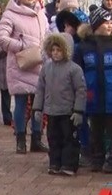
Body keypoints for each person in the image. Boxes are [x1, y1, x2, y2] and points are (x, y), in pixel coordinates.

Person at [0, 0, 48, 154]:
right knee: (20, 102)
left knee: (38, 104)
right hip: (21, 64)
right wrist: (22, 46)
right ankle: (20, 139)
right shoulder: (10, 14)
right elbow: (1, 38)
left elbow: (46, 34)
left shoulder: (41, 12)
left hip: (39, 63)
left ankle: (36, 138)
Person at [74, 8, 112, 173]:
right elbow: (78, 71)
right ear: (96, 25)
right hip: (93, 94)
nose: (110, 26)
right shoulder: (83, 47)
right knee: (95, 128)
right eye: (106, 22)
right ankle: (97, 157)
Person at [33, 34, 86, 176]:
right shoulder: (46, 68)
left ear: (66, 50)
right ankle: (55, 162)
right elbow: (40, 89)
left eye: (59, 50)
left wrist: (78, 110)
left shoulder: (74, 69)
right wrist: (38, 108)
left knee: (69, 138)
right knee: (53, 138)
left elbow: (81, 90)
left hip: (68, 112)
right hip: (51, 111)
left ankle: (69, 164)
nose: (55, 53)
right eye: (53, 50)